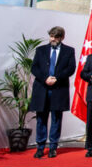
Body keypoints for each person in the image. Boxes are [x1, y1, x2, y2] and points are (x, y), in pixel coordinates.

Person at [28, 26, 76, 159]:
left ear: (62, 37)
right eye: (51, 36)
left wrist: (56, 78)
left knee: (56, 119)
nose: (52, 39)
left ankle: (53, 147)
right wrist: (45, 78)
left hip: (58, 89)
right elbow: (35, 68)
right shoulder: (41, 50)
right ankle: (40, 147)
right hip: (42, 88)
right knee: (41, 119)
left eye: (55, 37)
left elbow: (71, 68)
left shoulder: (69, 51)